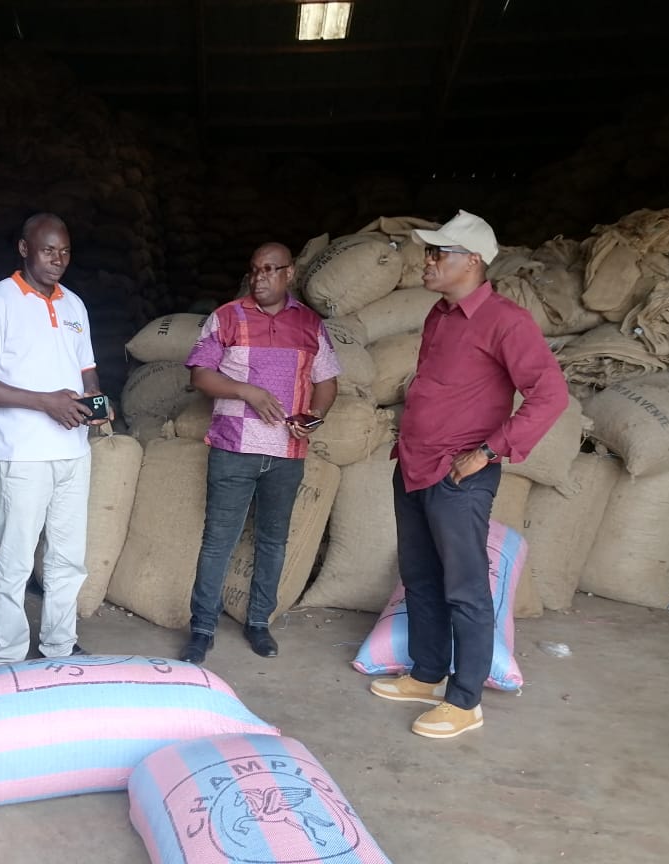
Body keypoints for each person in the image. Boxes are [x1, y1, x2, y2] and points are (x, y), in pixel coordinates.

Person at [371, 210, 568, 739]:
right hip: (413, 465)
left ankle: (465, 701)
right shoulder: (439, 314)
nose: (428, 261)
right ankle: (428, 673)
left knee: (465, 588)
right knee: (420, 575)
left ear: (473, 262)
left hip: (460, 473)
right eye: (429, 252)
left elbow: (550, 395)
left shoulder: (507, 321)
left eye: (439, 253)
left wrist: (489, 450)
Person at [0, 213, 108, 667]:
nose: (58, 260)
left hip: (73, 452)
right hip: (21, 456)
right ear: (24, 249)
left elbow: (85, 369)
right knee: (15, 562)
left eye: (64, 251)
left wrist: (97, 398)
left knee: (68, 559)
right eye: (48, 250)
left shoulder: (74, 306)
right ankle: (5, 657)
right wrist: (45, 402)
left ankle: (59, 644)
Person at [179, 242, 339, 665]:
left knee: (272, 541)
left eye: (271, 269)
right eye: (255, 269)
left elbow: (327, 382)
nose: (260, 277)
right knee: (218, 542)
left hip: (288, 451)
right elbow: (200, 375)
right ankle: (202, 628)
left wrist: (316, 415)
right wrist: (246, 391)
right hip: (233, 448)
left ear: (290, 274)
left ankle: (258, 623)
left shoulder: (310, 324)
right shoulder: (227, 317)